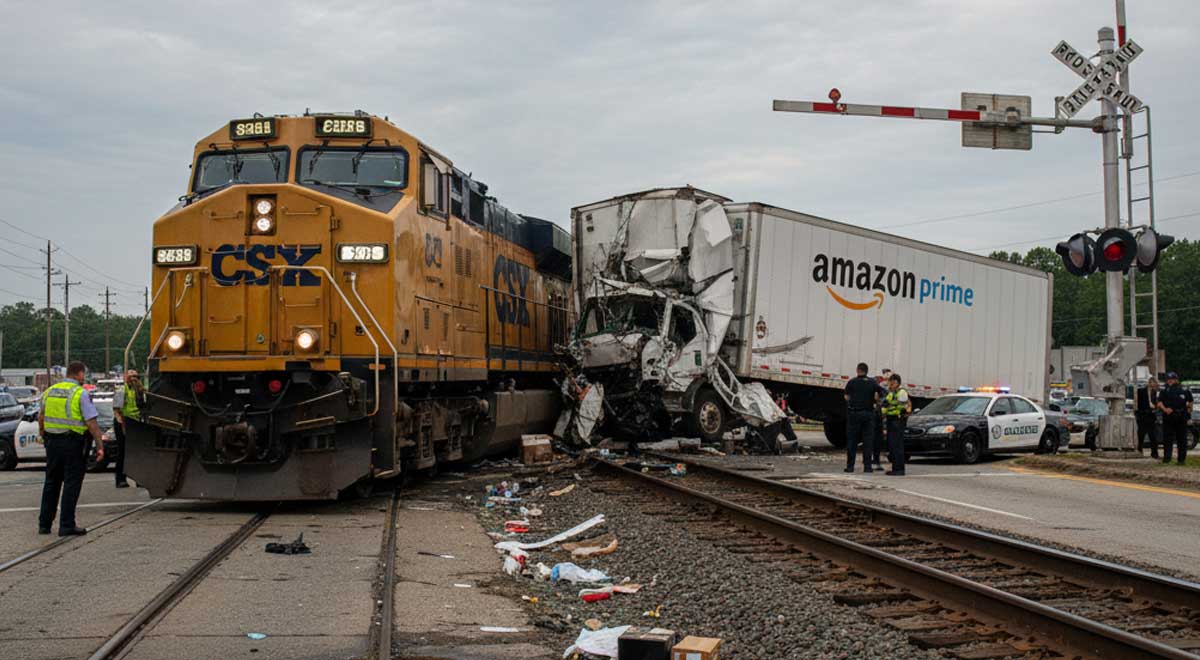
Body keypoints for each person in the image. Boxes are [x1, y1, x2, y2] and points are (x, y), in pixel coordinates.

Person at [38, 361, 104, 536]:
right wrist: (100, 445)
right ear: (80, 374)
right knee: (71, 483)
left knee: (51, 482)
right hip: (73, 444)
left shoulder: (49, 391)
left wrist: (44, 436)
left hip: (52, 442)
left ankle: (44, 524)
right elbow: (91, 423)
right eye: (84, 374)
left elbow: (41, 417)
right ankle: (66, 525)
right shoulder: (80, 393)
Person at [844, 362, 879, 473]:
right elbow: (880, 394)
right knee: (868, 441)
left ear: (858, 370)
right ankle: (867, 467)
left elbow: (846, 396)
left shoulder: (852, 382)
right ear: (867, 371)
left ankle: (850, 466)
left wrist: (853, 400)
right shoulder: (873, 382)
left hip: (854, 414)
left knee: (852, 440)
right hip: (868, 414)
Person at [111, 369, 142, 488]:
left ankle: (139, 479)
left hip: (136, 422)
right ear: (126, 378)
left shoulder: (139, 390)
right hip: (123, 422)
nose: (134, 379)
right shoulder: (121, 390)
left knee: (138, 452)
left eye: (136, 376)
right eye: (131, 376)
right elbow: (117, 410)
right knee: (123, 451)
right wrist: (122, 424)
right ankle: (120, 479)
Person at [1157, 372, 1194, 465]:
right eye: (1168, 379)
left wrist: (1189, 411)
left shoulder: (1184, 390)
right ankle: (1167, 459)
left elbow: (1190, 401)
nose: (1170, 381)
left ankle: (1181, 460)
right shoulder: (1164, 390)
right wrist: (1165, 409)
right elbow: (1159, 402)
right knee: (1167, 439)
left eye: (1172, 379)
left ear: (1177, 379)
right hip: (1168, 417)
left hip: (1181, 416)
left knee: (1182, 439)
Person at [881, 374, 912, 476]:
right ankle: (895, 468)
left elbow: (902, 405)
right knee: (892, 445)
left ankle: (899, 469)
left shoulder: (902, 392)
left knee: (897, 445)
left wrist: (888, 405)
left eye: (891, 383)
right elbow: (885, 405)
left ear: (896, 382)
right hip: (891, 420)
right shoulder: (892, 393)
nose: (890, 385)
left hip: (897, 420)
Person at [1135, 377, 1161, 459]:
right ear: (1149, 383)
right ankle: (1139, 451)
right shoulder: (1141, 391)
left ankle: (1154, 453)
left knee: (1153, 436)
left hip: (1151, 416)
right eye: (1152, 383)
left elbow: (1156, 403)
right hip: (1142, 415)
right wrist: (1137, 413)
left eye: (1155, 383)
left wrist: (1155, 407)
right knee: (1141, 435)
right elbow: (1137, 403)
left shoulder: (1154, 392)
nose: (1153, 385)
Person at [872, 368, 891, 467]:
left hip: (882, 415)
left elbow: (880, 400)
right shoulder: (883, 386)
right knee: (878, 438)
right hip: (881, 415)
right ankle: (877, 459)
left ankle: (877, 458)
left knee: (879, 438)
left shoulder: (885, 387)